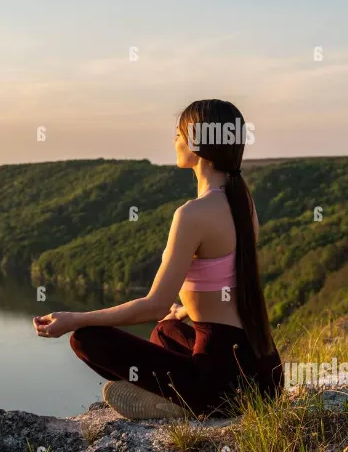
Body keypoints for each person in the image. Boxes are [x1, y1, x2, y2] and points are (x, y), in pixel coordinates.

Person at [33, 99, 284, 420]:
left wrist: (76, 318)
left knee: (87, 339)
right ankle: (179, 396)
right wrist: (187, 308)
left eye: (178, 134)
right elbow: (226, 279)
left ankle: (181, 403)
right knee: (166, 331)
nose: (174, 141)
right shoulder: (243, 201)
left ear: (196, 143)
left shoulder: (193, 214)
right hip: (266, 375)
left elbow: (152, 304)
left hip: (224, 383)